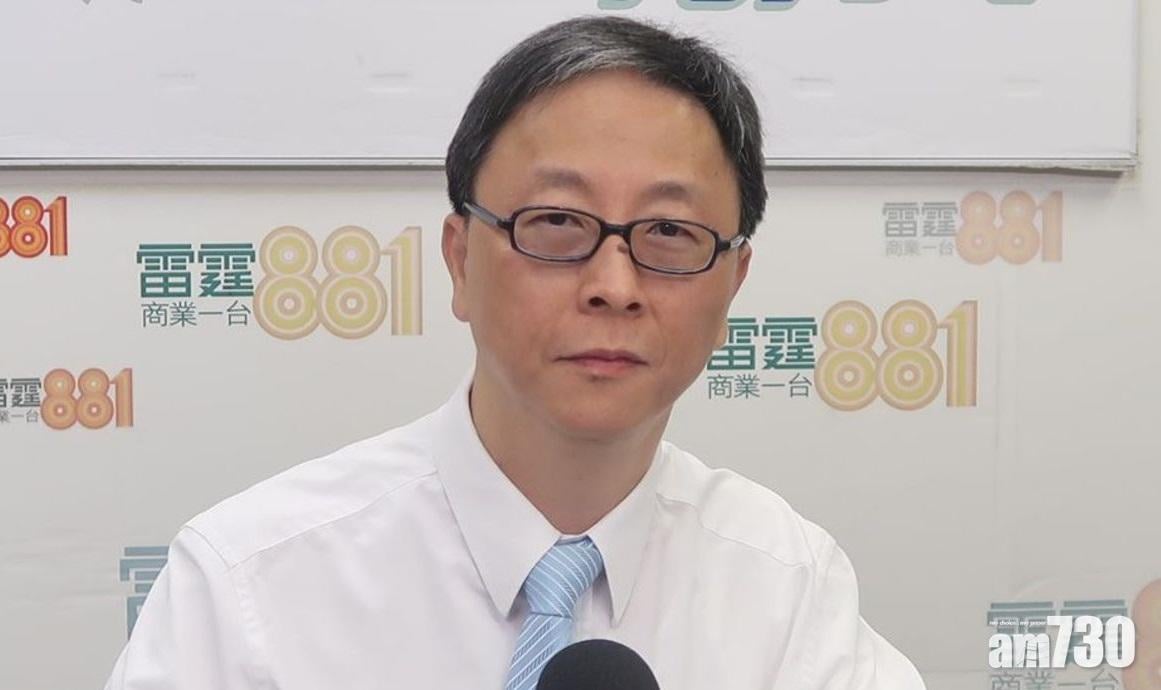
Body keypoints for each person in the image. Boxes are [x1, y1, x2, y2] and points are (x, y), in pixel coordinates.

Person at [104, 16, 924, 690]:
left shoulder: (788, 590)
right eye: (557, 222)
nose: (614, 285)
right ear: (460, 259)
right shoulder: (248, 586)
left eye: (669, 232)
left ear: (732, 283)